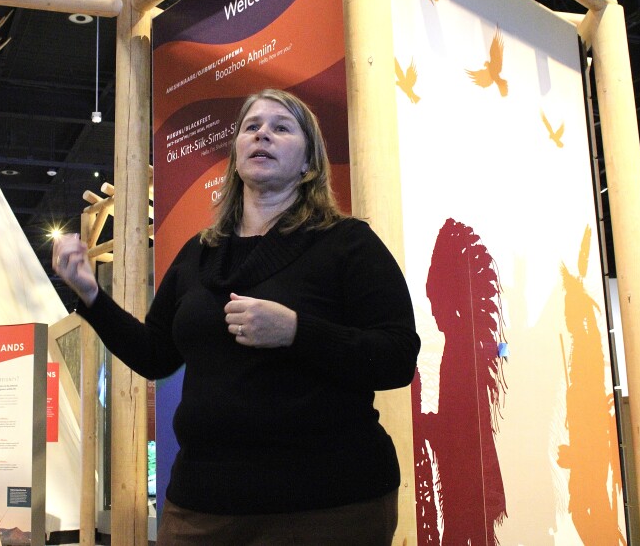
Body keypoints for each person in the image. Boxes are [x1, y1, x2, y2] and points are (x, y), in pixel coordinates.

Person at [53, 88, 420, 545]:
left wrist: (296, 332)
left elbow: (397, 357)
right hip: (202, 503)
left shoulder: (348, 244)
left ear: (309, 164)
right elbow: (156, 355)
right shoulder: (197, 255)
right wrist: (91, 298)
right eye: (251, 126)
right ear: (236, 157)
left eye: (281, 127)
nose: (262, 133)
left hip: (327, 505)